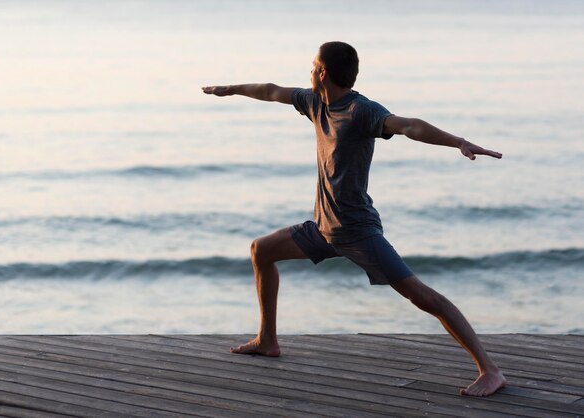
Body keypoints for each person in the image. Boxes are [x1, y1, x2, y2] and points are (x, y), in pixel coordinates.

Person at [202, 41, 506, 397]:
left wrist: (458, 142)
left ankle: (490, 370)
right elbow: (271, 91)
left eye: (312, 65)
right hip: (323, 228)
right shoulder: (314, 103)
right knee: (261, 250)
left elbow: (409, 126)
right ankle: (267, 339)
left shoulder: (361, 111)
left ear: (323, 72)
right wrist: (232, 90)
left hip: (358, 231)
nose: (309, 70)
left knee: (424, 298)